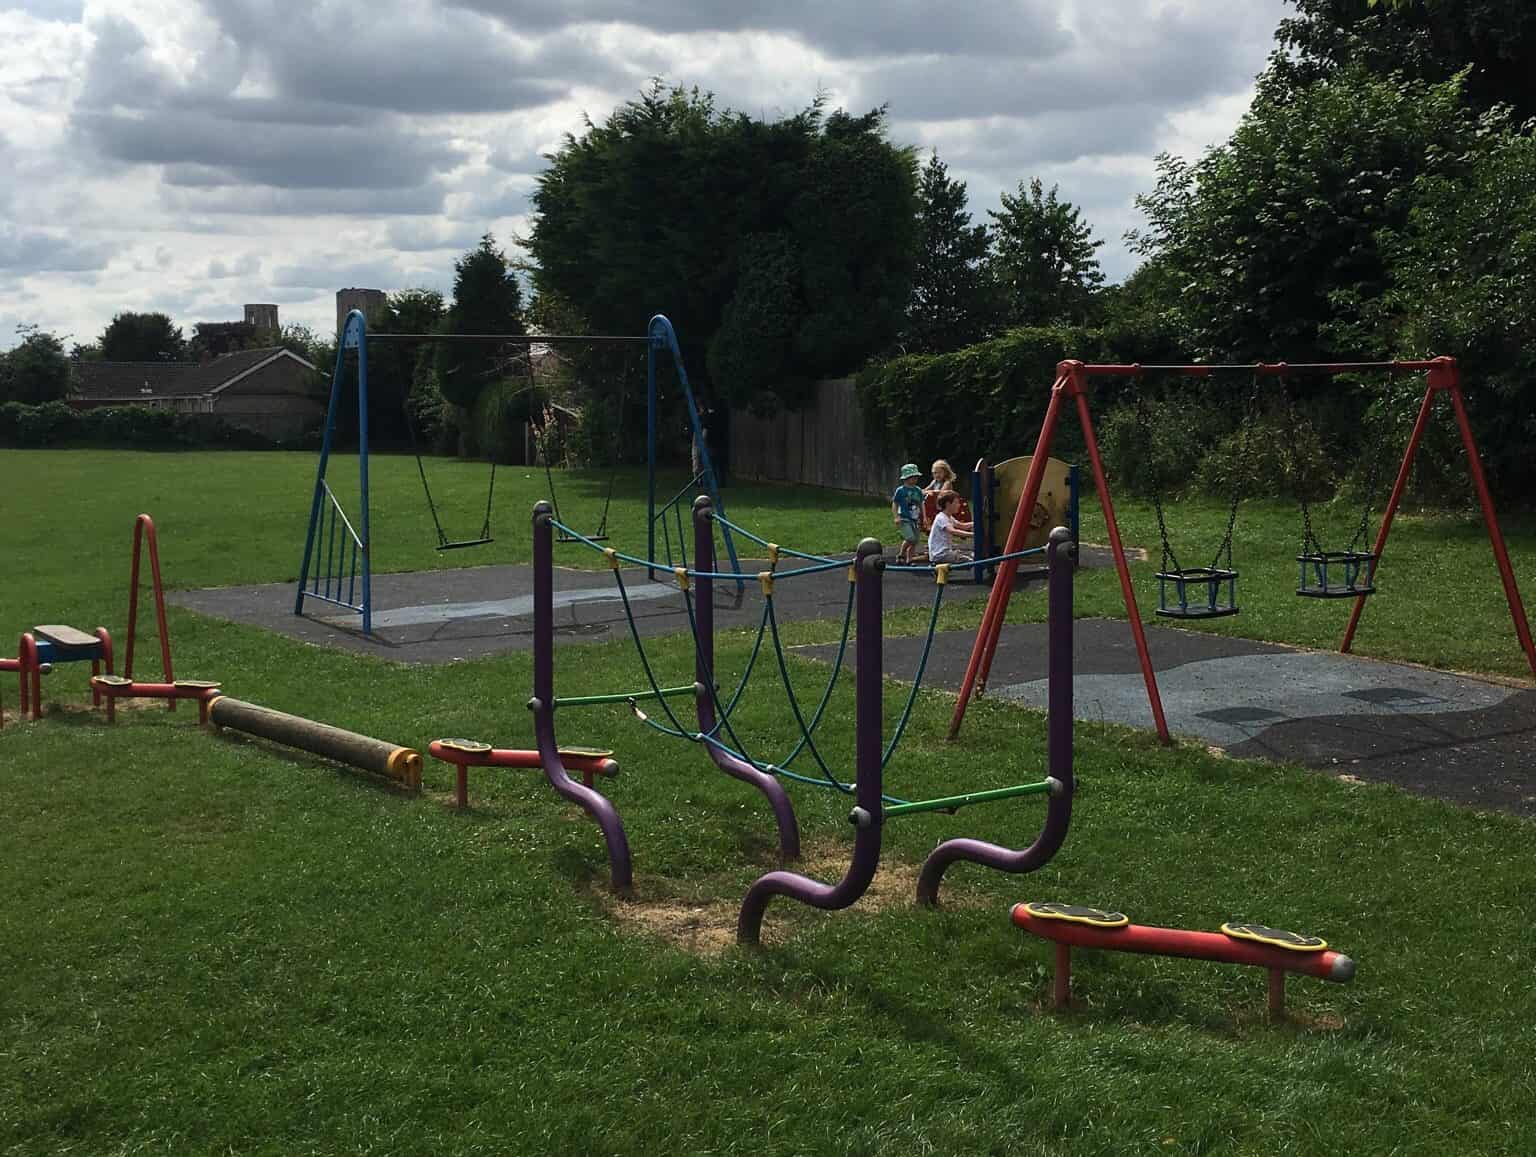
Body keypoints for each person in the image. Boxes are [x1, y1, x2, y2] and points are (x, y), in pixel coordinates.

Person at [890, 463, 926, 564]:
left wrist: (924, 517)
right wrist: (896, 517)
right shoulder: (900, 490)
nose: (915, 479)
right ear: (906, 478)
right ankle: (901, 554)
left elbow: (921, 504)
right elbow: (895, 504)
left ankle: (909, 559)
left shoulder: (918, 490)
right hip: (904, 518)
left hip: (915, 519)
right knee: (910, 538)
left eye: (916, 477)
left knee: (915, 540)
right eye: (913, 477)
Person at [928, 489, 974, 565]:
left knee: (966, 555)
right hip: (940, 554)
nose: (959, 505)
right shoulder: (941, 518)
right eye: (956, 503)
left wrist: (976, 523)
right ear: (948, 504)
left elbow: (961, 525)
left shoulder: (948, 517)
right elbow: (953, 531)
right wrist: (972, 535)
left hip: (944, 553)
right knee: (970, 561)